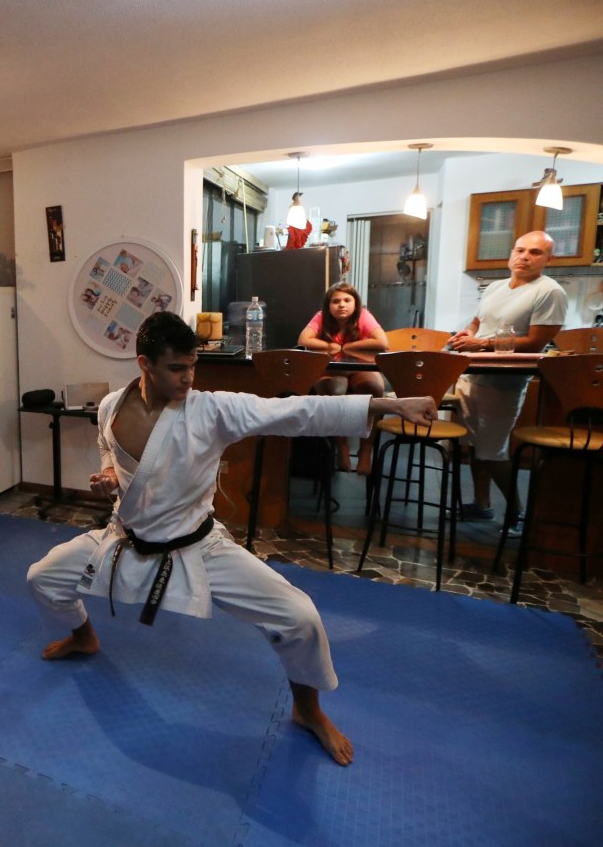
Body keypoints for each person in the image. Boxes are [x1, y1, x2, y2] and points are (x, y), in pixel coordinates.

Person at [27, 311, 437, 768]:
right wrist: (108, 475)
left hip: (198, 546)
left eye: (192, 367)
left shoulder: (211, 410)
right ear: (144, 363)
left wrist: (387, 405)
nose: (188, 378)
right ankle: (84, 636)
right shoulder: (109, 406)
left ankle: (308, 710)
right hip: (126, 538)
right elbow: (110, 451)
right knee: (42, 577)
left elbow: (294, 411)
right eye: (176, 369)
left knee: (300, 616)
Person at [448, 230, 568, 532]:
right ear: (511, 254)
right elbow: (478, 323)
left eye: (535, 252)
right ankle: (482, 505)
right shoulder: (495, 287)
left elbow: (535, 342)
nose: (524, 257)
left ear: (549, 259)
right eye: (520, 250)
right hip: (472, 373)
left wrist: (483, 345)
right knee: (475, 445)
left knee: (492, 449)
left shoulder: (549, 291)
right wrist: (467, 335)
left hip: (505, 380)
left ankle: (517, 511)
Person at [297, 282, 389, 475]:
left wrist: (348, 347)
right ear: (328, 305)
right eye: (335, 301)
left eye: (347, 300)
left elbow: (382, 342)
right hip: (330, 370)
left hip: (359, 368)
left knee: (374, 389)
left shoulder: (364, 315)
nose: (342, 305)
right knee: (333, 392)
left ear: (356, 303)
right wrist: (330, 347)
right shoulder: (321, 317)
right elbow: (303, 340)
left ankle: (365, 451)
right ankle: (342, 447)